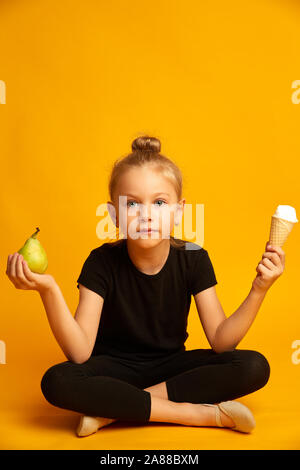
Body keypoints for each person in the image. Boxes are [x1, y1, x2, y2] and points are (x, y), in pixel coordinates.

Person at [6, 135, 284, 437]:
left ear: (179, 211)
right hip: (112, 370)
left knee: (254, 365)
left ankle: (114, 411)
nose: (146, 214)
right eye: (133, 204)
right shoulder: (101, 262)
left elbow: (221, 341)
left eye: (160, 202)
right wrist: (48, 290)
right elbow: (79, 352)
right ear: (114, 214)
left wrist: (259, 288)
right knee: (57, 380)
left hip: (172, 368)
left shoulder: (194, 258)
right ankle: (193, 414)